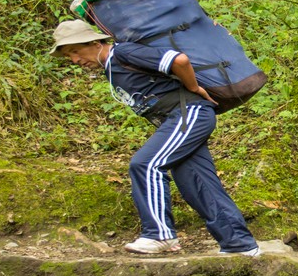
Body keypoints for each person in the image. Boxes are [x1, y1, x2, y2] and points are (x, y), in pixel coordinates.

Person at [49, 20, 259, 256]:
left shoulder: (123, 52)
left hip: (189, 113)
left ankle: (159, 235)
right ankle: (240, 245)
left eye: (76, 51)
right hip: (178, 118)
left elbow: (178, 60)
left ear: (96, 42)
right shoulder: (110, 67)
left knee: (146, 164)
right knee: (197, 182)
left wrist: (194, 87)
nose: (76, 60)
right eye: (69, 56)